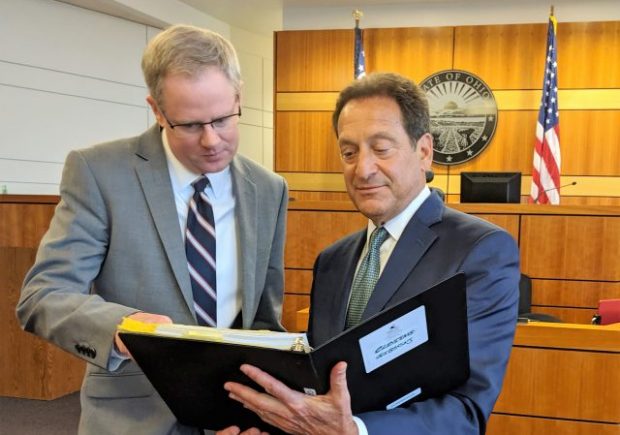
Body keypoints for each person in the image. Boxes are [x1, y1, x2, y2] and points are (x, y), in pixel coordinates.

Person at [16, 24, 288, 435]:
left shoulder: (268, 189)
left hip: (232, 419)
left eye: (222, 119)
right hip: (132, 418)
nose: (211, 140)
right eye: (190, 125)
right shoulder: (100, 173)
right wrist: (128, 328)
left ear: (239, 97)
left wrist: (264, 412)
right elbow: (44, 296)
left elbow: (264, 320)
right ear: (157, 110)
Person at [220, 72, 520, 435]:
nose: (362, 169)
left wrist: (356, 430)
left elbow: (467, 412)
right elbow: (320, 390)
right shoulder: (331, 261)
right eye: (349, 153)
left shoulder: (479, 251)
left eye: (381, 149)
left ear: (424, 151)